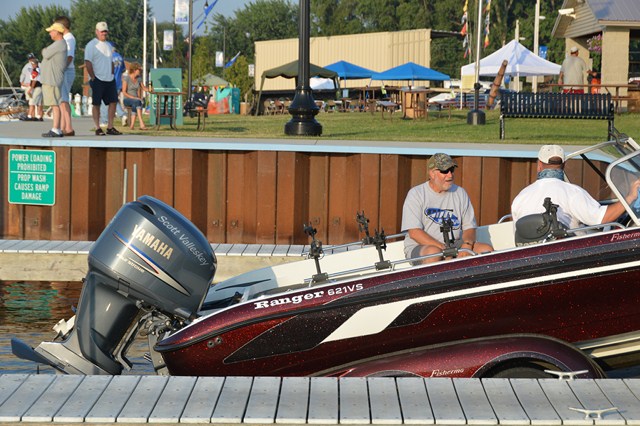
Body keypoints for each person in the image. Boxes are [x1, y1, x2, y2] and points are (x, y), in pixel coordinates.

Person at [511, 145, 640, 230]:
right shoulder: (572, 193)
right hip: (566, 254)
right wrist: (630, 197)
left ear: (539, 165)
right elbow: (601, 219)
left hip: (529, 256)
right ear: (564, 165)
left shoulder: (521, 197)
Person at [401, 153, 493, 264]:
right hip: (422, 246)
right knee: (434, 253)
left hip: (454, 244)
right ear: (432, 173)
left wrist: (467, 245)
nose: (450, 175)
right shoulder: (416, 194)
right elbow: (414, 233)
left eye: (451, 170)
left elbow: (470, 228)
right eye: (444, 171)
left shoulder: (460, 193)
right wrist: (444, 250)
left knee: (486, 250)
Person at [84, 21, 122, 136]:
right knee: (96, 104)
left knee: (113, 102)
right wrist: (93, 77)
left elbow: (110, 61)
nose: (104, 33)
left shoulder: (109, 45)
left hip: (109, 79)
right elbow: (88, 62)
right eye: (101, 31)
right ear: (97, 32)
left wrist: (112, 74)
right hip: (98, 78)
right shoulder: (91, 45)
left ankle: (110, 127)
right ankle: (97, 127)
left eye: (105, 31)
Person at [40, 22, 68, 137]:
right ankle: (57, 128)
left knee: (54, 104)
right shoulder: (60, 44)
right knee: (55, 104)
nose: (50, 33)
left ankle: (56, 128)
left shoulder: (59, 44)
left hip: (52, 80)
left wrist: (44, 50)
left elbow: (46, 53)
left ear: (57, 32)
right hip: (52, 79)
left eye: (51, 31)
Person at [54, 16, 76, 136]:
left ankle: (68, 127)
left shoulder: (69, 39)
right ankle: (63, 127)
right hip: (66, 70)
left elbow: (69, 56)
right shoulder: (66, 38)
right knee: (62, 99)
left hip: (66, 70)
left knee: (64, 99)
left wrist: (62, 68)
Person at [121, 62, 148, 130]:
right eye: (139, 70)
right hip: (127, 99)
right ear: (134, 70)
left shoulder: (139, 78)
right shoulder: (127, 78)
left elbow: (144, 88)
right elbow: (124, 92)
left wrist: (150, 90)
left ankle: (132, 125)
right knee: (137, 102)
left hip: (136, 100)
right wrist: (134, 97)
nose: (140, 71)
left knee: (136, 104)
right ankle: (141, 123)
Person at [19, 54, 43, 121]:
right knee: (39, 102)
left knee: (32, 101)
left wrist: (31, 88)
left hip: (35, 87)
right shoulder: (40, 67)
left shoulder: (35, 70)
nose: (31, 65)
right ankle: (39, 116)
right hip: (40, 86)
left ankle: (30, 116)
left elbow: (34, 80)